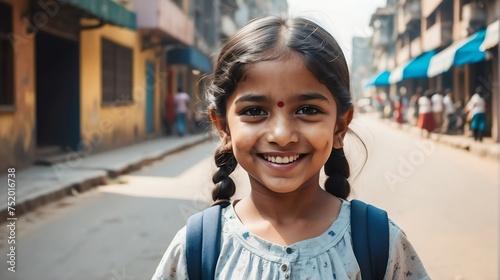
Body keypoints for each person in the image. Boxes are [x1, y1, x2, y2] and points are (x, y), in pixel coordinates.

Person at [151, 16, 429, 279]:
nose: (282, 136)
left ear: (339, 126)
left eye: (307, 110)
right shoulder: (196, 249)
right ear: (223, 128)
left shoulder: (379, 242)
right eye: (255, 111)